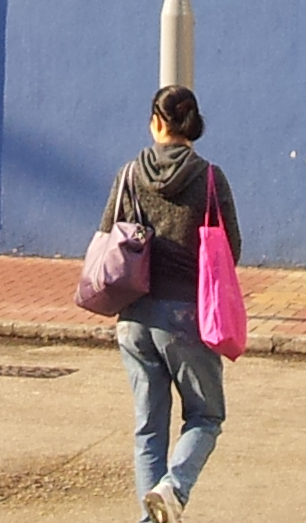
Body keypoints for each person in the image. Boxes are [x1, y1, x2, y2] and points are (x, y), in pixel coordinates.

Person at [104, 84, 243, 523]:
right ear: (192, 123)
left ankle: (153, 517)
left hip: (133, 315)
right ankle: (173, 488)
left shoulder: (129, 174)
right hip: (186, 314)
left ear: (156, 121)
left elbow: (108, 235)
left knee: (148, 427)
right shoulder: (209, 178)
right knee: (206, 416)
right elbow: (232, 248)